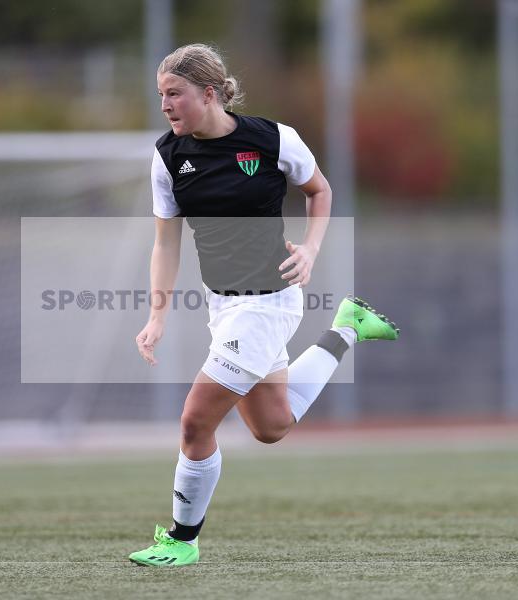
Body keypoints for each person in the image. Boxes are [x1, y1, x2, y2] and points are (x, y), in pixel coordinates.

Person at [128, 43, 398, 567]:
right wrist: (157, 313)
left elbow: (319, 191)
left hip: (269, 303)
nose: (165, 105)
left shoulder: (273, 139)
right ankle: (346, 327)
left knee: (193, 423)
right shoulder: (167, 157)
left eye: (174, 94)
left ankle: (182, 543)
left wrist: (312, 249)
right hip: (223, 308)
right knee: (271, 426)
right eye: (160, 95)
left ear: (209, 94)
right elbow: (166, 243)